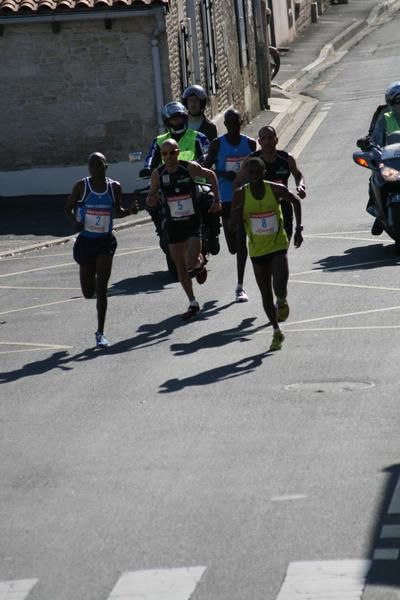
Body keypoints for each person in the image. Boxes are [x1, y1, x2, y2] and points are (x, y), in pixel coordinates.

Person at [228, 157, 303, 352]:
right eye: (249, 173)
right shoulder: (240, 195)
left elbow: (295, 201)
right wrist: (236, 215)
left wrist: (298, 229)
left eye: (257, 173)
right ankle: (277, 331)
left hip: (277, 246)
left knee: (279, 287)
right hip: (257, 251)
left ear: (264, 173)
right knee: (265, 295)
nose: (253, 177)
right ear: (246, 175)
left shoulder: (275, 189)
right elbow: (231, 225)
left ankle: (283, 300)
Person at [65, 152, 138, 348]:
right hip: (86, 242)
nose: (94, 168)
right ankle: (95, 279)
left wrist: (129, 211)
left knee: (102, 289)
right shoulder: (82, 187)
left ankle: (100, 333)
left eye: (98, 164)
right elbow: (68, 208)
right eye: (91, 165)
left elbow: (117, 211)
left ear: (106, 167)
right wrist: (75, 223)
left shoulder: (114, 187)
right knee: (89, 292)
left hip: (105, 241)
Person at [146, 139, 222, 320]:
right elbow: (151, 194)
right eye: (164, 154)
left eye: (172, 153)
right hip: (173, 224)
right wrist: (151, 200)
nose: (168, 157)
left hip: (192, 222)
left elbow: (211, 175)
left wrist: (217, 200)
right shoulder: (158, 173)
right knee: (179, 265)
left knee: (189, 261)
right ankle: (192, 302)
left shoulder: (189, 167)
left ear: (178, 152)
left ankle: (199, 264)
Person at [204, 108, 257, 302]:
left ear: (241, 122)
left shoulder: (250, 144)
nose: (233, 126)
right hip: (227, 199)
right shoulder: (217, 145)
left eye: (236, 122)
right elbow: (206, 168)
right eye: (229, 123)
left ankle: (240, 286)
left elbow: (259, 167)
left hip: (246, 197)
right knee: (233, 246)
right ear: (225, 125)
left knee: (242, 243)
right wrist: (223, 174)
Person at [235, 125, 306, 242]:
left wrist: (301, 185)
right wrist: (241, 204)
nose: (267, 142)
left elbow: (298, 176)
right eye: (263, 139)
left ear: (276, 140)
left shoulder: (286, 158)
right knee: (264, 244)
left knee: (284, 243)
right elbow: (238, 183)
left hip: (283, 206)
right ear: (259, 141)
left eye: (270, 138)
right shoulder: (252, 161)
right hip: (260, 208)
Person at [141, 101, 209, 175]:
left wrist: (199, 165)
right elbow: (151, 157)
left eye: (180, 118)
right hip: (167, 180)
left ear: (185, 118)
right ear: (167, 121)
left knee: (206, 187)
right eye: (173, 119)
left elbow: (206, 155)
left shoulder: (198, 137)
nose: (177, 120)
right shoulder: (159, 141)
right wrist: (147, 168)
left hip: (194, 180)